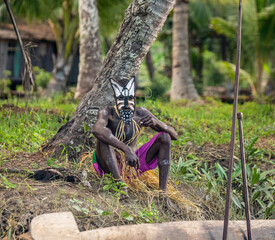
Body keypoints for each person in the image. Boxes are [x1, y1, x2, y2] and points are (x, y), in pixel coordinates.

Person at [92, 77, 178, 209]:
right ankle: (119, 184)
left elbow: (174, 135)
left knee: (164, 137)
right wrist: (126, 149)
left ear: (134, 99)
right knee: (104, 138)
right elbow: (97, 130)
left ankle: (163, 194)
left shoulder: (141, 112)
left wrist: (157, 123)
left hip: (132, 165)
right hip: (108, 165)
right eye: (122, 101)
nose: (126, 105)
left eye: (130, 100)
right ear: (115, 99)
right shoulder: (107, 112)